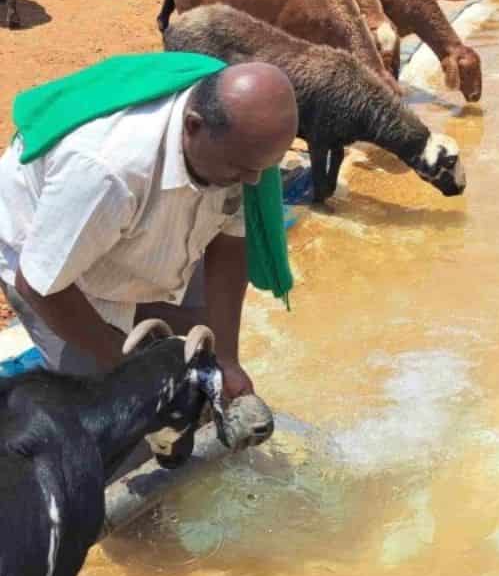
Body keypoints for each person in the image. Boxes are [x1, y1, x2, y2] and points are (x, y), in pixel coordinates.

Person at [0, 63, 298, 399]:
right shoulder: (106, 172)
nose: (254, 182)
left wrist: (227, 360)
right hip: (56, 268)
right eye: (240, 170)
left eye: (260, 170)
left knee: (202, 357)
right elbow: (39, 283)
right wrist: (130, 369)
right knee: (112, 413)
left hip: (131, 232)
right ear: (193, 126)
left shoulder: (241, 152)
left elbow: (231, 246)